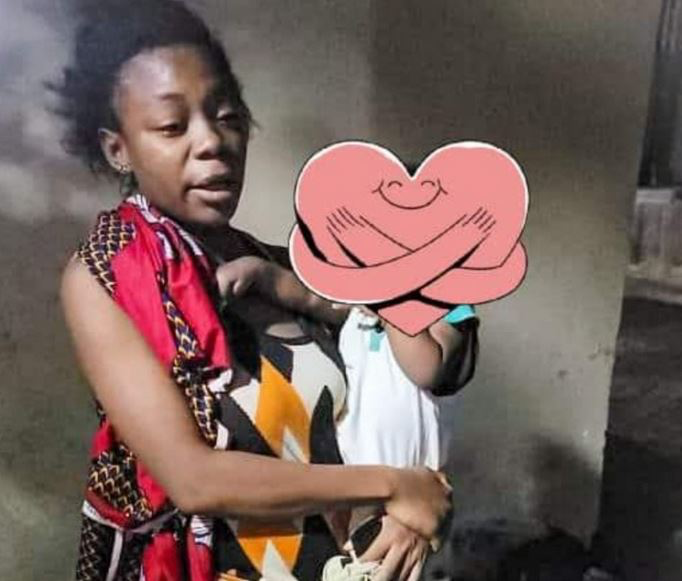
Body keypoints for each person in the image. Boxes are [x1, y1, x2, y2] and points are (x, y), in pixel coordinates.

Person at [54, 1, 451, 579]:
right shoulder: (105, 279)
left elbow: (398, 384)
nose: (211, 142)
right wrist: (395, 485)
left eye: (227, 116)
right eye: (172, 127)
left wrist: (414, 507)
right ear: (118, 149)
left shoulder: (280, 267)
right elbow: (194, 479)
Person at [215, 257, 479, 579]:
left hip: (406, 490)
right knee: (341, 557)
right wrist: (261, 274)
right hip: (349, 476)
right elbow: (311, 298)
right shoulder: (365, 294)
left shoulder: (444, 302)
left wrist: (390, 303)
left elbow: (427, 369)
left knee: (380, 565)